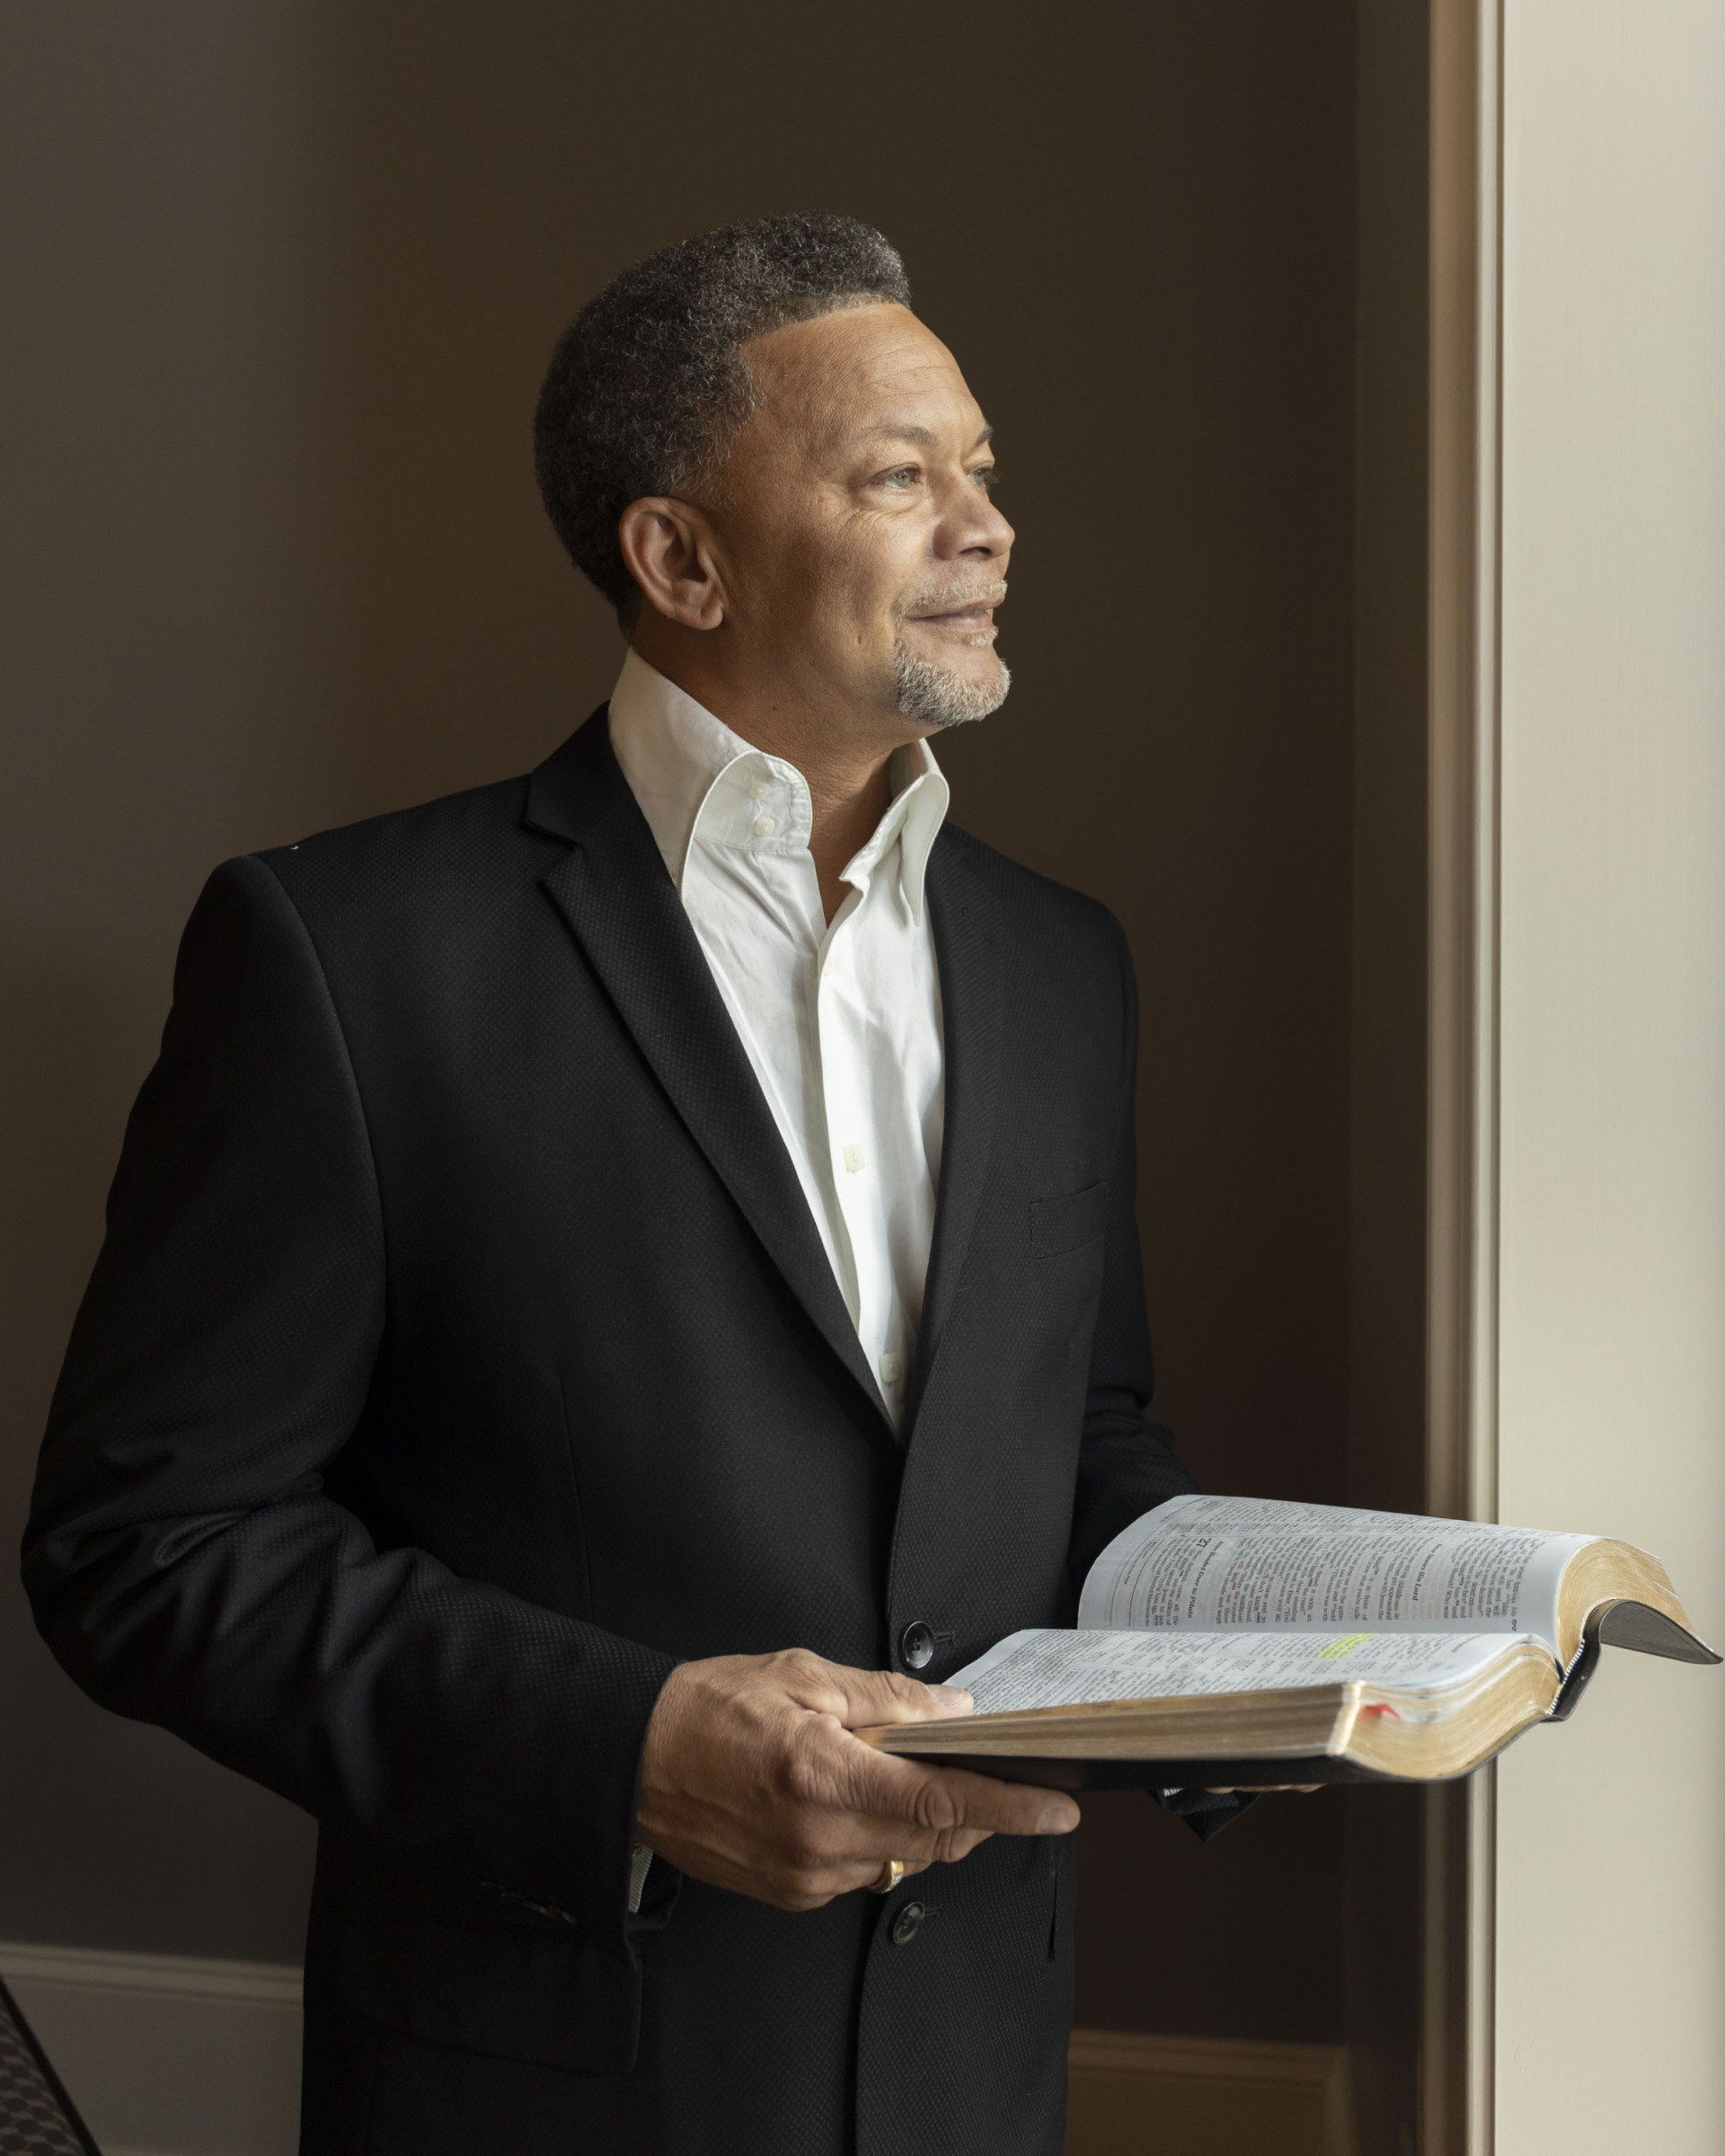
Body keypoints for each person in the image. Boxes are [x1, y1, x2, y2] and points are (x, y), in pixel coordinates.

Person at [21, 212, 1314, 2156]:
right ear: (678, 557)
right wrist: (625, 1750)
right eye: (901, 476)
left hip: (975, 2069)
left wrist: (1292, 1647)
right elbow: (149, 1546)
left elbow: (1077, 1434)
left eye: (985, 470)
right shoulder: (346, 953)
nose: (988, 526)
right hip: (551, 2080)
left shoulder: (1065, 966)